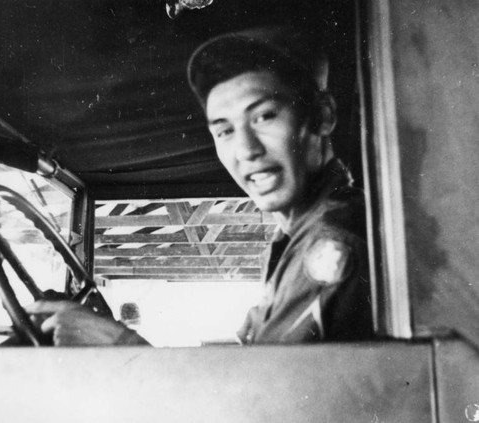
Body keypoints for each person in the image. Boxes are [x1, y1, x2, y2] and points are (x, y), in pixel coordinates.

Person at [25, 27, 373, 345]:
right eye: (224, 130)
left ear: (323, 116)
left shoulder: (330, 244)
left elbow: (261, 406)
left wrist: (117, 344)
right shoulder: (296, 235)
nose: (246, 150)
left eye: (264, 116)